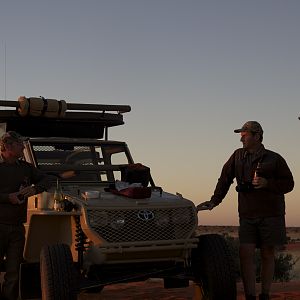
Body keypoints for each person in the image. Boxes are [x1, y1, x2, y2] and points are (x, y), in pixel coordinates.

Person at [197, 121, 294, 300]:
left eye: (245, 135)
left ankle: (265, 295)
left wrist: (267, 184)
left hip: (271, 214)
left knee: (267, 254)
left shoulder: (274, 158)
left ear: (257, 136)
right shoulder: (237, 156)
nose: (241, 138)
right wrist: (214, 201)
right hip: (247, 214)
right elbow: (225, 179)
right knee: (245, 254)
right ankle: (250, 295)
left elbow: (289, 184)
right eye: (241, 135)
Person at [0, 131, 53, 300]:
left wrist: (34, 189)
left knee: (14, 272)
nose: (23, 146)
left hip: (17, 228)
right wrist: (7, 198)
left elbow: (47, 179)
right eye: (19, 144)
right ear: (8, 146)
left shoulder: (26, 168)